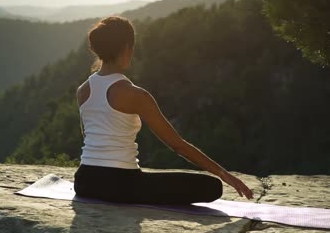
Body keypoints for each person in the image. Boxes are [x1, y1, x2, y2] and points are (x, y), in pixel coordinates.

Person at [73, 16, 254, 205]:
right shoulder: (136, 95)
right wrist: (225, 174)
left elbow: (88, 137)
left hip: (85, 182)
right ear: (127, 48)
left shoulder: (83, 90)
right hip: (122, 185)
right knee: (212, 186)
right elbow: (178, 145)